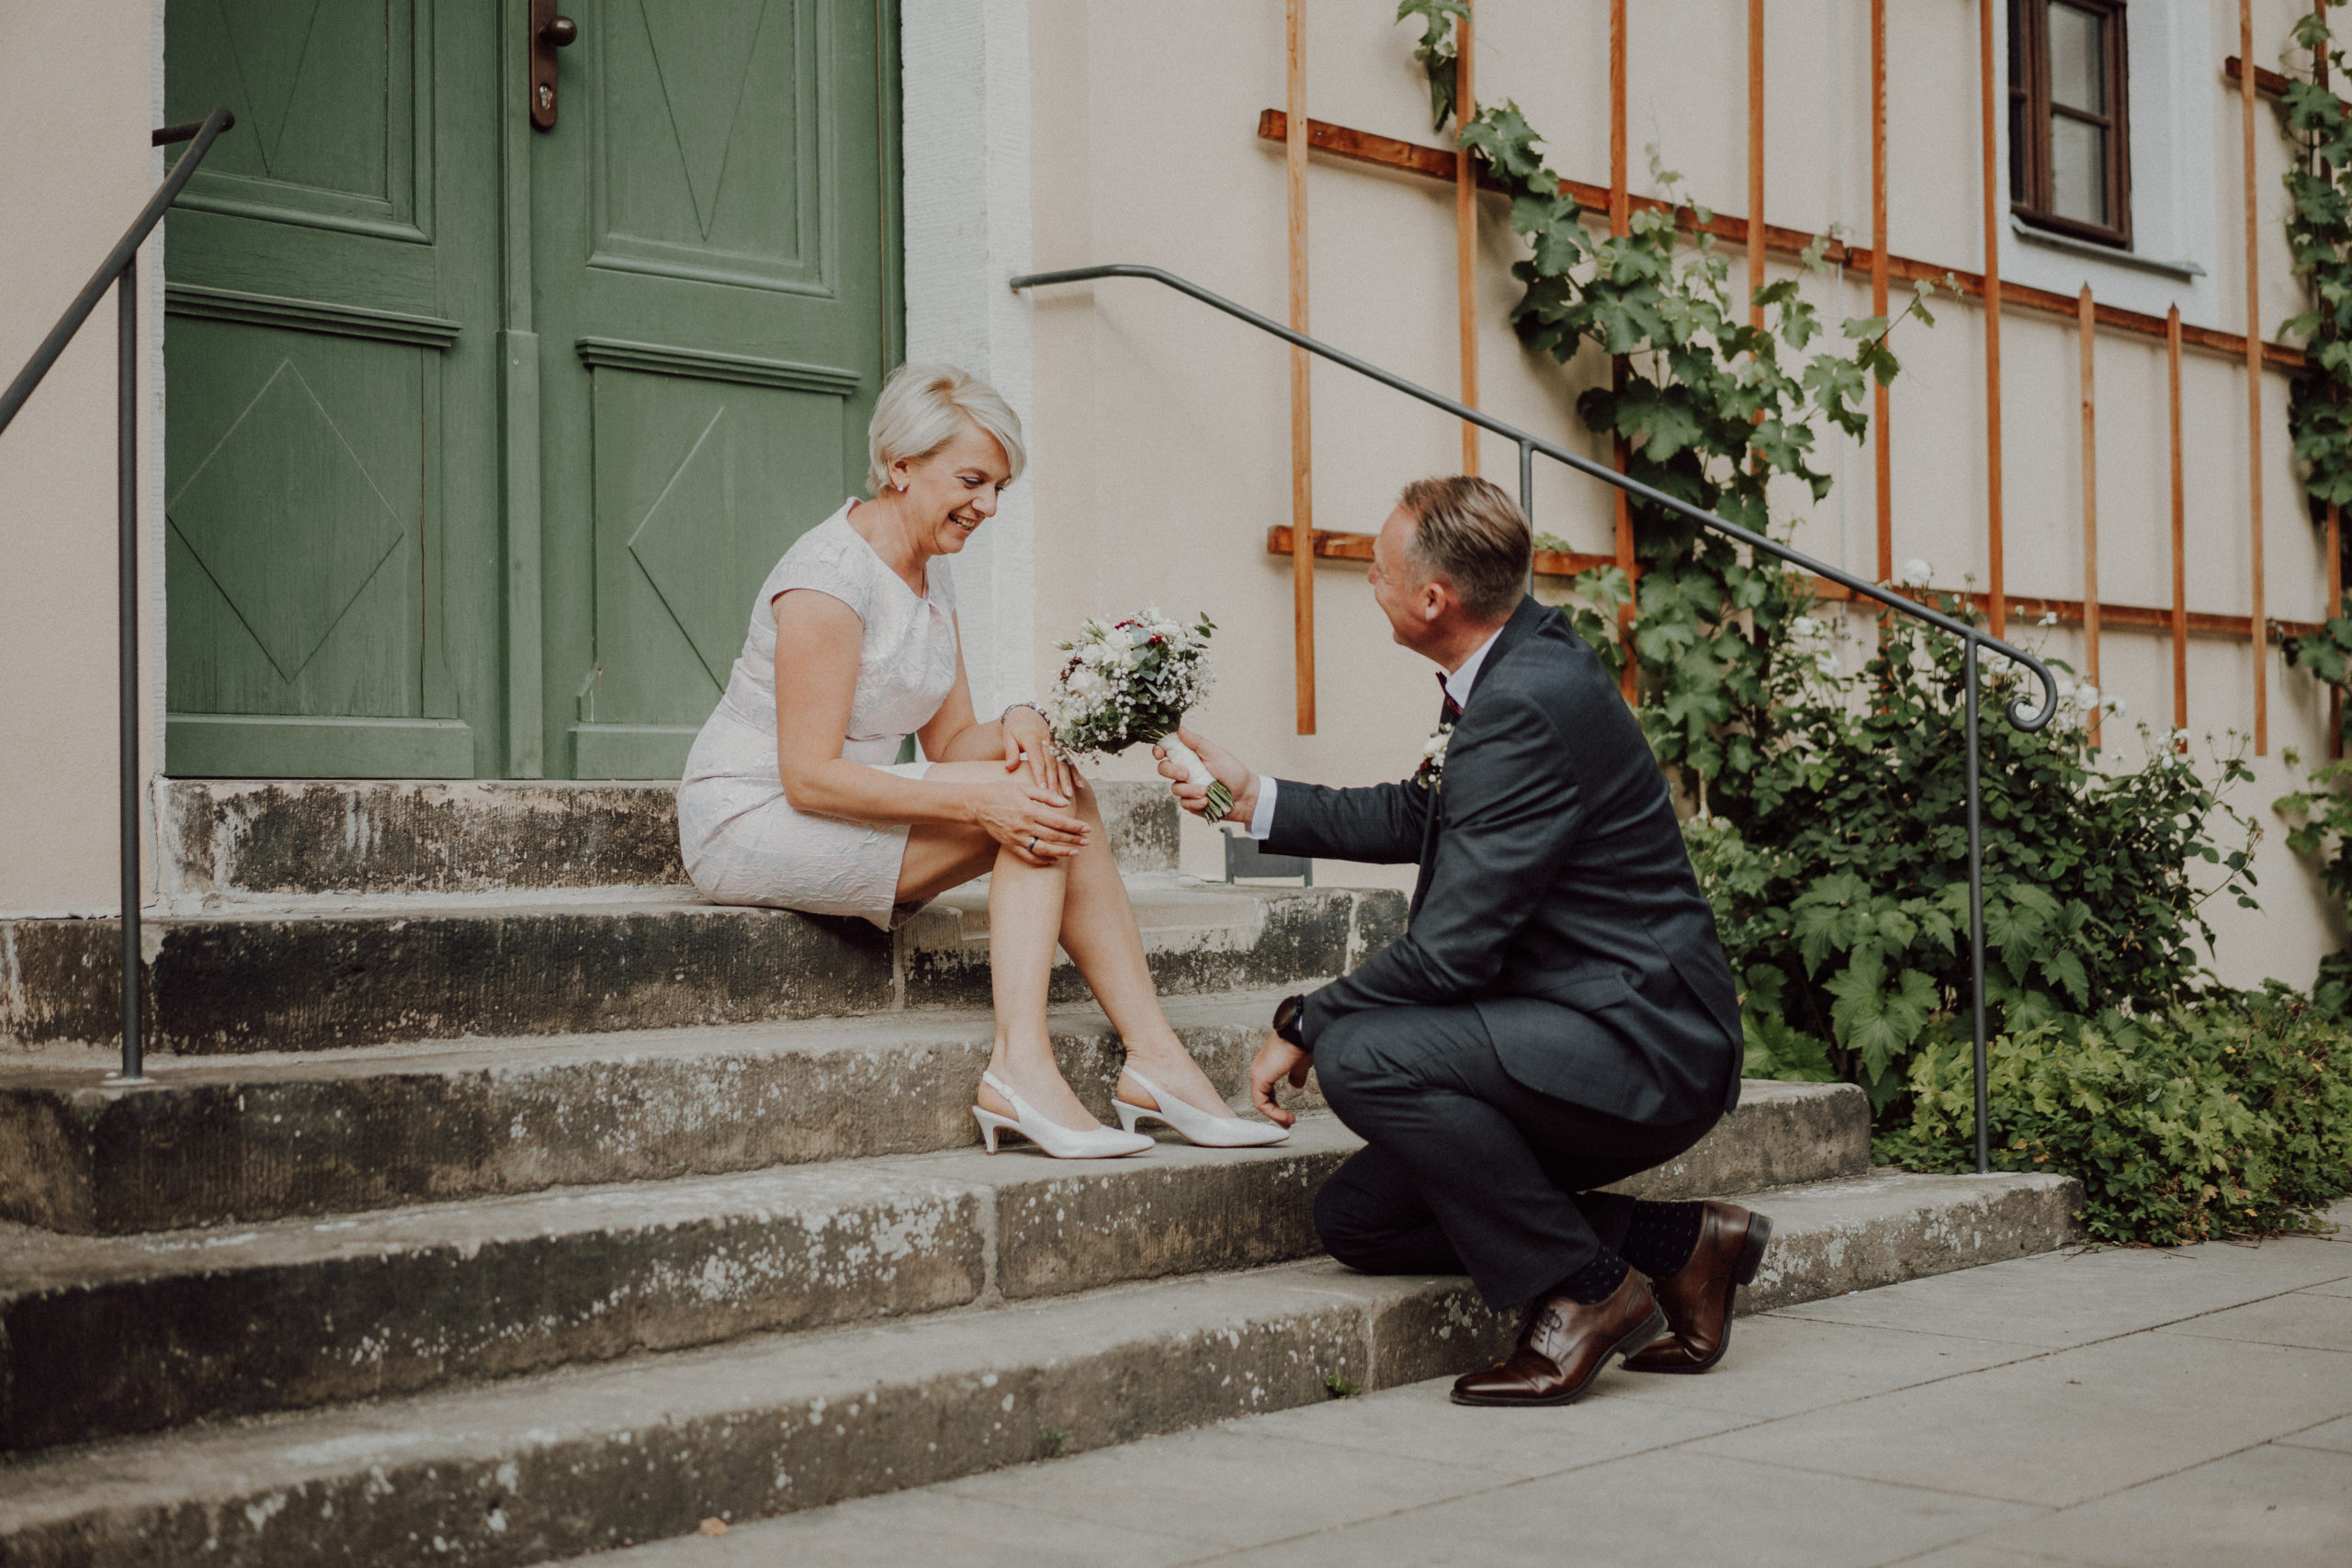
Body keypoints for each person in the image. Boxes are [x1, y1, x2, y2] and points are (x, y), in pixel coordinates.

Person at [1159, 475, 1769, 1405]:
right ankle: (1680, 1248)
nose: (1368, 582)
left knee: (1362, 1054)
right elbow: (1429, 813)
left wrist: (1307, 1018)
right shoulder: (1517, 661)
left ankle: (1588, 1293)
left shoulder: (1522, 698)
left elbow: (1451, 956)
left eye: (1375, 569)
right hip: (1584, 1018)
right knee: (1360, 1219)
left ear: (1433, 599)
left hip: (1642, 1040)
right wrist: (1253, 800)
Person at [679, 363, 1283, 1159]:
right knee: (1029, 804)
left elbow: (954, 744)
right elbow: (809, 774)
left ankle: (1150, 1058)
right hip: (753, 815)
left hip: (828, 801)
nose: (988, 505)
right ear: (900, 466)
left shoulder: (931, 572)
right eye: (972, 480)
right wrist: (979, 802)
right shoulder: (828, 580)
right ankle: (1033, 1067)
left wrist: (1024, 721)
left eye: (999, 486)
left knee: (1048, 784)